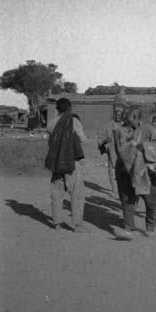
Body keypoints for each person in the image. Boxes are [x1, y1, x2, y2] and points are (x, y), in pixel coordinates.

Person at [113, 106, 156, 239]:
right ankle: (128, 229)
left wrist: (145, 148)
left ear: (135, 118)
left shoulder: (148, 129)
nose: (125, 122)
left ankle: (150, 227)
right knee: (127, 200)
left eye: (128, 119)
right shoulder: (119, 130)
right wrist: (132, 146)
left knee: (150, 200)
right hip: (125, 171)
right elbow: (120, 150)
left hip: (145, 171)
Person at [45, 98, 88, 232]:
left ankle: (56, 223)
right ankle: (77, 225)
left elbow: (50, 141)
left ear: (57, 109)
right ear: (69, 108)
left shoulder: (51, 123)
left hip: (56, 162)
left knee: (56, 193)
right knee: (76, 194)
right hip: (71, 163)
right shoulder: (74, 122)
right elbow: (83, 139)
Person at [97, 105, 124, 194]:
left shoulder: (125, 125)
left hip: (124, 153)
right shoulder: (108, 126)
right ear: (114, 115)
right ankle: (115, 190)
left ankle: (122, 189)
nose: (118, 116)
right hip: (112, 152)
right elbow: (100, 138)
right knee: (112, 172)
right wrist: (105, 141)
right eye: (116, 114)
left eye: (120, 115)